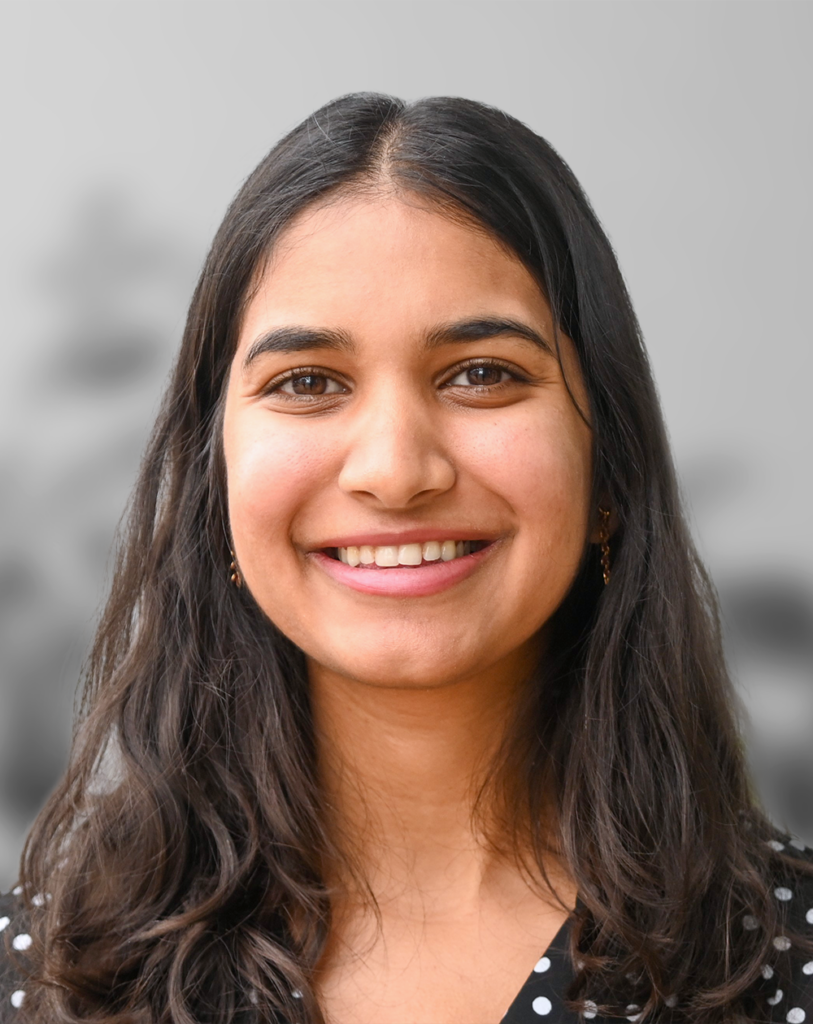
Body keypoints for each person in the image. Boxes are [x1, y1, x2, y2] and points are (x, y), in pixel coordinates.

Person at [1, 93, 811, 1024]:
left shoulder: (789, 960)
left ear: (609, 468)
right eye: (307, 382)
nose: (394, 472)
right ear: (214, 486)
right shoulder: (45, 977)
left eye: (482, 374)